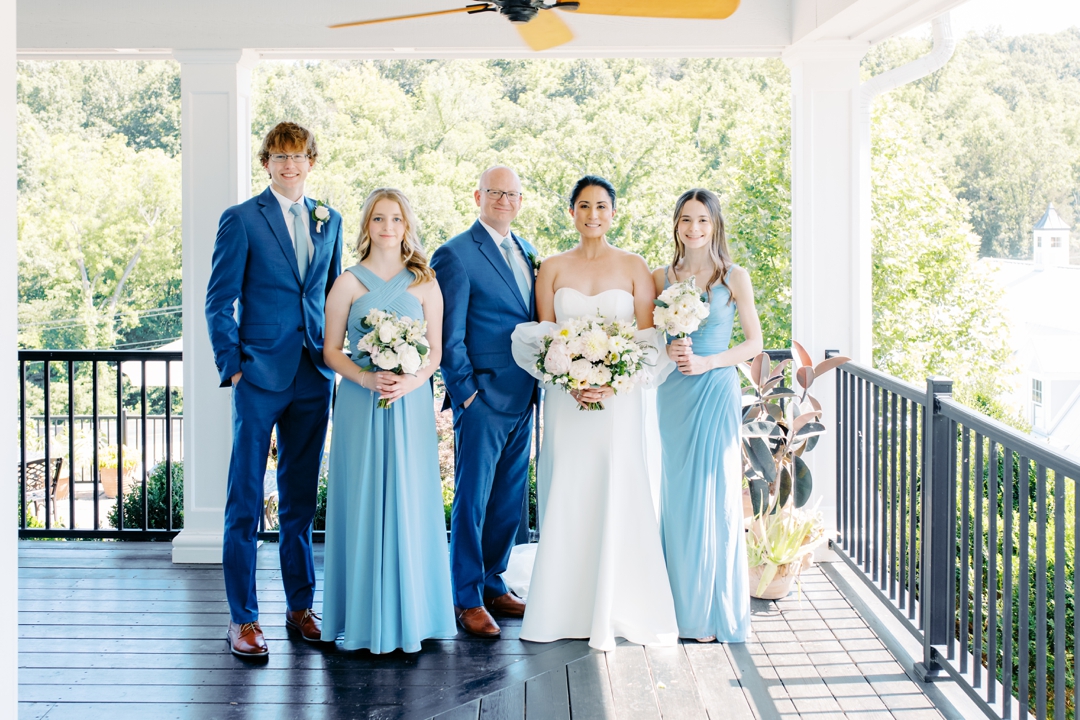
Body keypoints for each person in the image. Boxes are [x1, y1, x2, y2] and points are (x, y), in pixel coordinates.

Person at [510, 175, 679, 652]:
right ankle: (562, 607)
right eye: (583, 206)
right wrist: (573, 378)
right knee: (568, 489)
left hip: (618, 402)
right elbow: (543, 336)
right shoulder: (552, 268)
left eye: (601, 206)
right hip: (568, 401)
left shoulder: (634, 266)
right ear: (572, 212)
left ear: (613, 212)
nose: (592, 214)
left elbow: (647, 341)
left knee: (617, 488)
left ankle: (618, 603)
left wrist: (611, 378)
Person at [205, 122, 343, 658]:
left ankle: (300, 607)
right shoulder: (241, 219)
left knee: (300, 503)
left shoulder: (325, 220)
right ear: (266, 162)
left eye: (299, 157)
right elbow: (219, 301)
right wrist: (235, 367)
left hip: (314, 374)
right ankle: (243, 619)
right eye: (280, 157)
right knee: (244, 500)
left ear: (311, 161)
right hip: (258, 376)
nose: (290, 166)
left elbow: (332, 293)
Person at [319, 188, 457, 653]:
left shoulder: (425, 282)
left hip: (410, 403)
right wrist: (364, 376)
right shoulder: (347, 282)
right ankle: (360, 617)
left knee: (410, 499)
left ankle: (416, 614)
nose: (387, 227)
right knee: (362, 499)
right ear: (367, 226)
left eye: (395, 219)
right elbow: (331, 350)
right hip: (362, 403)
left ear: (406, 225)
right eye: (378, 219)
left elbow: (435, 351)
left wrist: (412, 382)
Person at [430, 166, 539, 638]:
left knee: (507, 500)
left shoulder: (529, 251)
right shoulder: (454, 254)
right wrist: (466, 393)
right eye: (495, 192)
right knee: (472, 501)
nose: (503, 200)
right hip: (482, 398)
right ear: (478, 195)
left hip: (523, 396)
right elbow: (448, 335)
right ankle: (466, 597)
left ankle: (494, 583)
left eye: (512, 194)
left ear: (520, 200)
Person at [654, 188, 762, 643]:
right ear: (676, 225)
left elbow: (753, 343)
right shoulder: (661, 275)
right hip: (674, 391)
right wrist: (671, 347)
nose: (694, 228)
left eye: (702, 220)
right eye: (685, 220)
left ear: (715, 224)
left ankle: (713, 612)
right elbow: (651, 336)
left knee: (715, 496)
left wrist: (708, 361)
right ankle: (679, 610)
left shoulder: (733, 276)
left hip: (715, 387)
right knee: (677, 496)